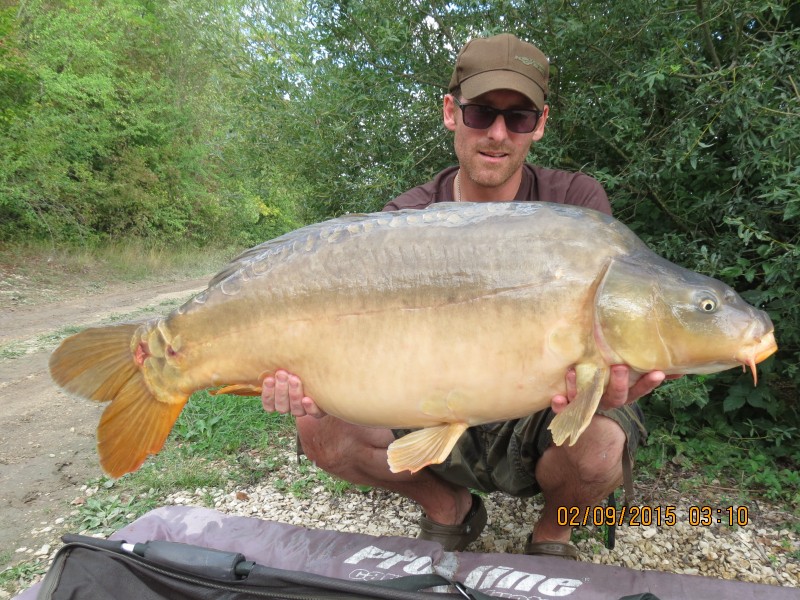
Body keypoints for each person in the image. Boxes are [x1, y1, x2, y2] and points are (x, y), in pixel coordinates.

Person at [261, 33, 668, 559]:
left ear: (540, 124)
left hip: (538, 402)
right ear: (451, 112)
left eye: (519, 118)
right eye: (481, 113)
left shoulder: (575, 206)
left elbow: (615, 327)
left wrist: (614, 382)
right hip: (432, 396)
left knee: (602, 443)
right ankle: (449, 508)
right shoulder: (403, 221)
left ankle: (552, 531)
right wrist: (309, 380)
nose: (498, 134)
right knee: (318, 425)